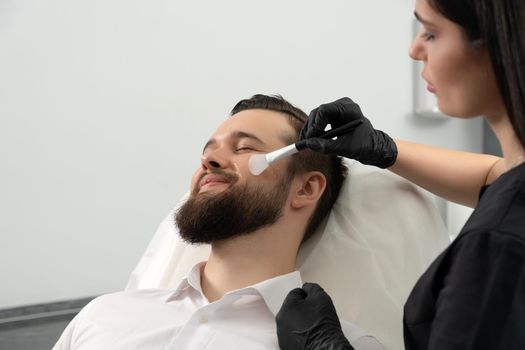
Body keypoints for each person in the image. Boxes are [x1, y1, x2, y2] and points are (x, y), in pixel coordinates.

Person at [276, 0, 525, 349]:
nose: (414, 50)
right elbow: (497, 178)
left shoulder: (495, 249)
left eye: (431, 33)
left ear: (499, 41)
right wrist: (381, 147)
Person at [52, 94, 383, 350]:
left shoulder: (347, 346)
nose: (208, 162)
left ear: (306, 188)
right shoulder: (104, 316)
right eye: (206, 152)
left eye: (244, 147)